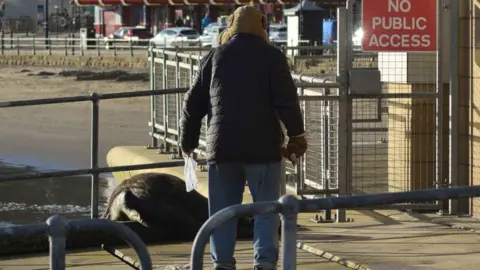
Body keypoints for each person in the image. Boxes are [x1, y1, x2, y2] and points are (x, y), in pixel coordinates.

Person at [180, 5, 307, 270]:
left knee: (223, 213)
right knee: (266, 211)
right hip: (263, 151)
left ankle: (223, 264)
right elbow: (286, 101)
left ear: (231, 26)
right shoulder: (272, 57)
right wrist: (297, 136)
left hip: (222, 149)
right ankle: (264, 264)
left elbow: (192, 106)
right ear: (261, 27)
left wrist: (188, 143)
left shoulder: (213, 58)